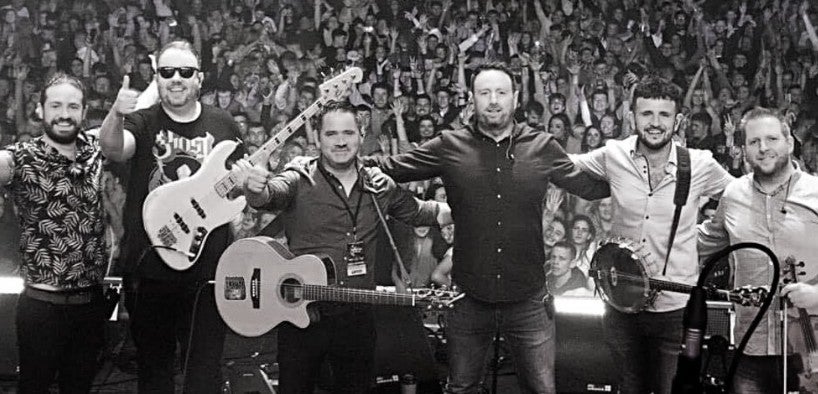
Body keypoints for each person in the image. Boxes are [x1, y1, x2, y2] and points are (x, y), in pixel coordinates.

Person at [366, 61, 610, 393]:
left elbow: (593, 188)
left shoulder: (542, 147)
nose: (493, 100)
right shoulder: (450, 145)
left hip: (529, 298)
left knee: (541, 388)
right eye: (484, 93)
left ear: (515, 97)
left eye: (501, 92)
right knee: (463, 386)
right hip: (469, 298)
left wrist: (638, 169)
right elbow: (392, 166)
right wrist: (327, 160)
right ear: (473, 98)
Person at [237, 100, 451, 394]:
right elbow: (267, 196)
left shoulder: (379, 184)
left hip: (357, 317)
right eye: (331, 134)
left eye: (348, 133)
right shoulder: (298, 178)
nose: (340, 141)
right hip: (302, 314)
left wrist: (470, 204)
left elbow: (424, 212)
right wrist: (254, 188)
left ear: (361, 135)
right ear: (319, 138)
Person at [569, 75, 734, 394]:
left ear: (679, 120)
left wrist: (707, 237)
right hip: (620, 305)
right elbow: (565, 166)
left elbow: (740, 196)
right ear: (632, 117)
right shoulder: (613, 154)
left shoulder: (700, 164)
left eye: (664, 115)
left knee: (670, 388)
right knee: (628, 387)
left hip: (675, 307)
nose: (655, 123)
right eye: (647, 114)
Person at [98, 40, 242, 393]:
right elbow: (113, 148)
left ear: (200, 78)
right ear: (157, 78)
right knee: (154, 372)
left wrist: (253, 184)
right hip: (151, 272)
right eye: (167, 72)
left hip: (206, 272)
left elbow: (238, 188)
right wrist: (116, 113)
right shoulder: (143, 121)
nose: (176, 79)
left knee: (204, 372)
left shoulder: (223, 124)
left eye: (185, 72)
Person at [1, 72, 108, 392]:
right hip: (40, 308)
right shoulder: (21, 157)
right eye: (56, 105)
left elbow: (131, 111)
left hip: (90, 306)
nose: (64, 114)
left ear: (84, 111)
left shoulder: (94, 148)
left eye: (73, 106)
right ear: (41, 110)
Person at [698, 107, 818, 392]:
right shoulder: (733, 195)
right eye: (754, 142)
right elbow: (704, 244)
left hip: (810, 348)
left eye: (772, 139)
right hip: (750, 344)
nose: (763, 148)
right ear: (744, 150)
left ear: (789, 142)